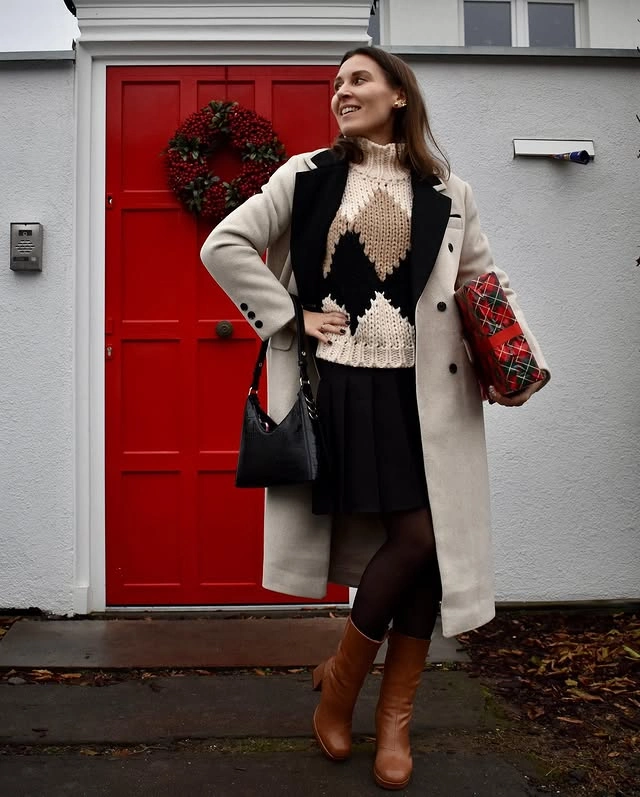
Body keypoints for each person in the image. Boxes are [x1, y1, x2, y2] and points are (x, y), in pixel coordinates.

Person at [201, 47, 549, 791]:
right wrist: (289, 316)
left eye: (358, 79)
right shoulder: (306, 175)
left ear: (398, 94)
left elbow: (481, 280)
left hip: (424, 396)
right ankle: (345, 690)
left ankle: (387, 717)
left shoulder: (449, 190)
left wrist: (519, 359)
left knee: (424, 548)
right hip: (345, 390)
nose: (341, 92)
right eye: (335, 83)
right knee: (418, 538)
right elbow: (222, 243)